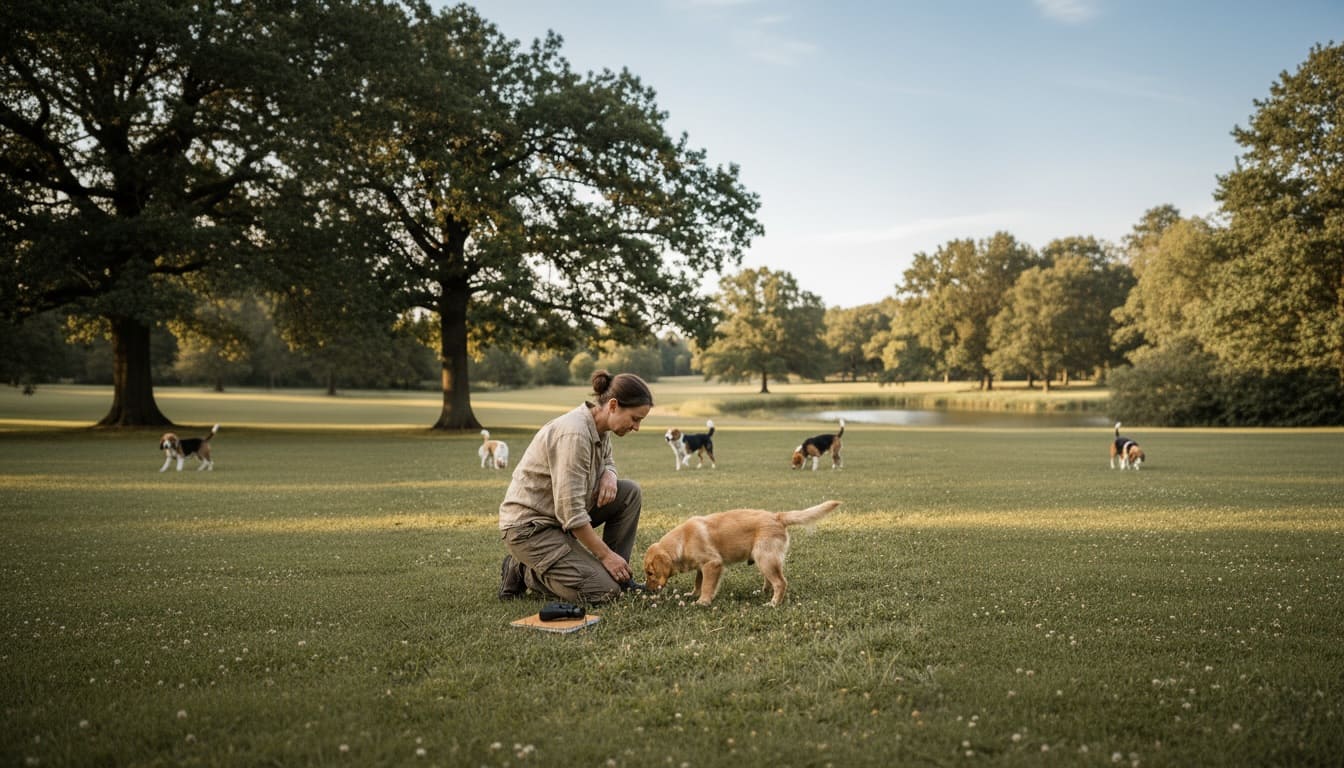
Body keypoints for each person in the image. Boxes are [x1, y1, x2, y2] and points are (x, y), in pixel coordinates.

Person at [497, 370, 652, 603]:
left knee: (629, 492)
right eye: (635, 418)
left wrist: (609, 473)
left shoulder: (600, 425)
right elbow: (571, 513)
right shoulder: (574, 434)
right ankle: (523, 571)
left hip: (557, 520)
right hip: (530, 529)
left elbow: (607, 459)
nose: (637, 427)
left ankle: (619, 577)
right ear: (613, 405)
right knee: (604, 593)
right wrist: (606, 555)